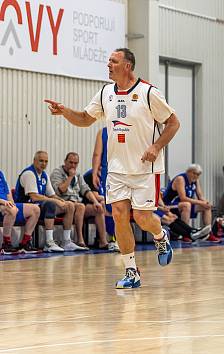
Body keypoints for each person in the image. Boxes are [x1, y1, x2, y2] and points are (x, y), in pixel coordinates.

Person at [44, 47, 180, 289]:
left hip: (144, 169)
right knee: (118, 215)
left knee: (142, 218)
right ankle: (131, 272)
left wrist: (157, 146)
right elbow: (86, 119)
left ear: (127, 66)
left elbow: (173, 122)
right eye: (108, 61)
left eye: (113, 61)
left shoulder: (149, 93)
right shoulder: (106, 92)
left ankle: (160, 236)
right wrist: (65, 112)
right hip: (116, 169)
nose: (108, 65)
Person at [15, 151, 76, 252]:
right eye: (41, 161)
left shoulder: (44, 175)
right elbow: (34, 197)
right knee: (50, 204)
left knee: (70, 205)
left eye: (46, 161)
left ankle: (66, 241)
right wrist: (55, 201)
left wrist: (61, 200)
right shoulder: (29, 173)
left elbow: (51, 194)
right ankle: (49, 242)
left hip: (39, 207)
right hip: (25, 208)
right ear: (34, 161)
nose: (44, 164)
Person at [51, 152, 106, 250]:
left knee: (98, 209)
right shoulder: (57, 173)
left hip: (76, 204)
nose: (73, 165)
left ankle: (103, 241)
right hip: (62, 204)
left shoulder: (78, 174)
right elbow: (59, 191)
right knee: (80, 206)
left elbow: (86, 190)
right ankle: (80, 240)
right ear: (65, 162)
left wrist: (95, 202)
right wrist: (70, 177)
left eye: (75, 163)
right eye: (70, 162)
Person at [162, 164, 218, 242]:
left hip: (181, 205)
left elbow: (200, 196)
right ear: (188, 172)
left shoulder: (195, 181)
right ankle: (185, 234)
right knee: (186, 205)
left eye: (198, 174)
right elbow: (183, 198)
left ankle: (208, 233)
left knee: (206, 207)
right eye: (194, 173)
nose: (196, 176)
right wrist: (201, 203)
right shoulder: (180, 179)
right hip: (169, 205)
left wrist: (206, 202)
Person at [89, 127, 120, 251]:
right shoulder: (131, 127)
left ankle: (115, 239)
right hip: (127, 172)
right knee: (122, 208)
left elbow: (97, 154)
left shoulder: (103, 132)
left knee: (110, 209)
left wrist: (95, 172)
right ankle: (120, 239)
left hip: (110, 172)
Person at [0, 170, 41, 254]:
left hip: (6, 204)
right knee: (11, 210)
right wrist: (4, 203)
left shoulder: (1, 174)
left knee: (35, 209)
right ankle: (6, 245)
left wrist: (12, 203)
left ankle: (25, 243)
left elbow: (7, 193)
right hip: (1, 204)